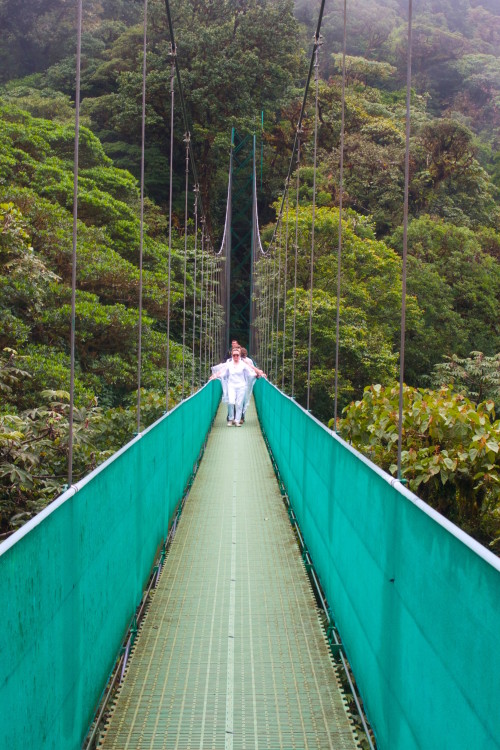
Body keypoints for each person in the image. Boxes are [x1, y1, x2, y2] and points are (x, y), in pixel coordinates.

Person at [210, 348, 256, 426]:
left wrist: (258, 375)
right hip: (231, 385)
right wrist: (215, 376)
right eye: (234, 355)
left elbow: (250, 373)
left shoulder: (243, 364)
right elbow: (223, 372)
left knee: (239, 403)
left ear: (239, 356)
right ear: (232, 356)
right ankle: (230, 419)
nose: (235, 357)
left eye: (237, 355)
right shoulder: (229, 364)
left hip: (241, 386)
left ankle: (237, 421)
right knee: (231, 402)